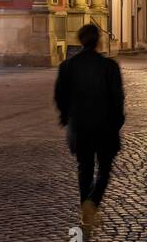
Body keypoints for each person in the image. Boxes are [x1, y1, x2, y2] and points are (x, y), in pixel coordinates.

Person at [54, 24, 125, 229]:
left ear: (79, 40)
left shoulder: (67, 66)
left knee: (84, 168)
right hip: (105, 127)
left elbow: (60, 96)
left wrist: (66, 117)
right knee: (104, 170)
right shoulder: (109, 67)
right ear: (98, 41)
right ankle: (91, 203)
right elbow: (117, 98)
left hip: (80, 126)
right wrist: (117, 122)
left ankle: (86, 211)